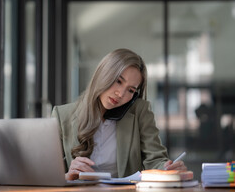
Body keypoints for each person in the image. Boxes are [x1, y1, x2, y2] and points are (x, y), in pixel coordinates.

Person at [51, 48, 187, 181]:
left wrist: (167, 168)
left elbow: (155, 159)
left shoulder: (140, 111)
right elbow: (48, 172)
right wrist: (67, 176)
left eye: (130, 90)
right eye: (119, 81)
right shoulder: (62, 116)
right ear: (103, 74)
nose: (121, 94)